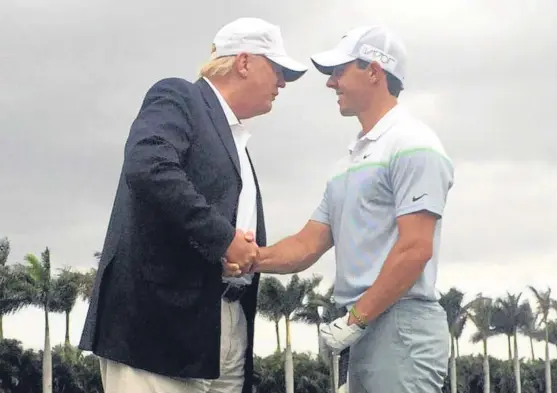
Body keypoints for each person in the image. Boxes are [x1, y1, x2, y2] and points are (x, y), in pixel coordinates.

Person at [78, 17, 307, 393]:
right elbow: (148, 166)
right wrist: (224, 239)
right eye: (278, 69)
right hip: (157, 330)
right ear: (244, 62)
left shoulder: (236, 141)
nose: (282, 82)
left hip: (223, 327)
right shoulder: (178, 96)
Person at [228, 25, 454, 392]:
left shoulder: (414, 144)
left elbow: (416, 249)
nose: (331, 83)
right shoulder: (347, 165)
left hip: (401, 328)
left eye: (339, 71)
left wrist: (356, 320)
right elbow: (307, 244)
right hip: (362, 329)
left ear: (374, 72)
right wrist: (250, 257)